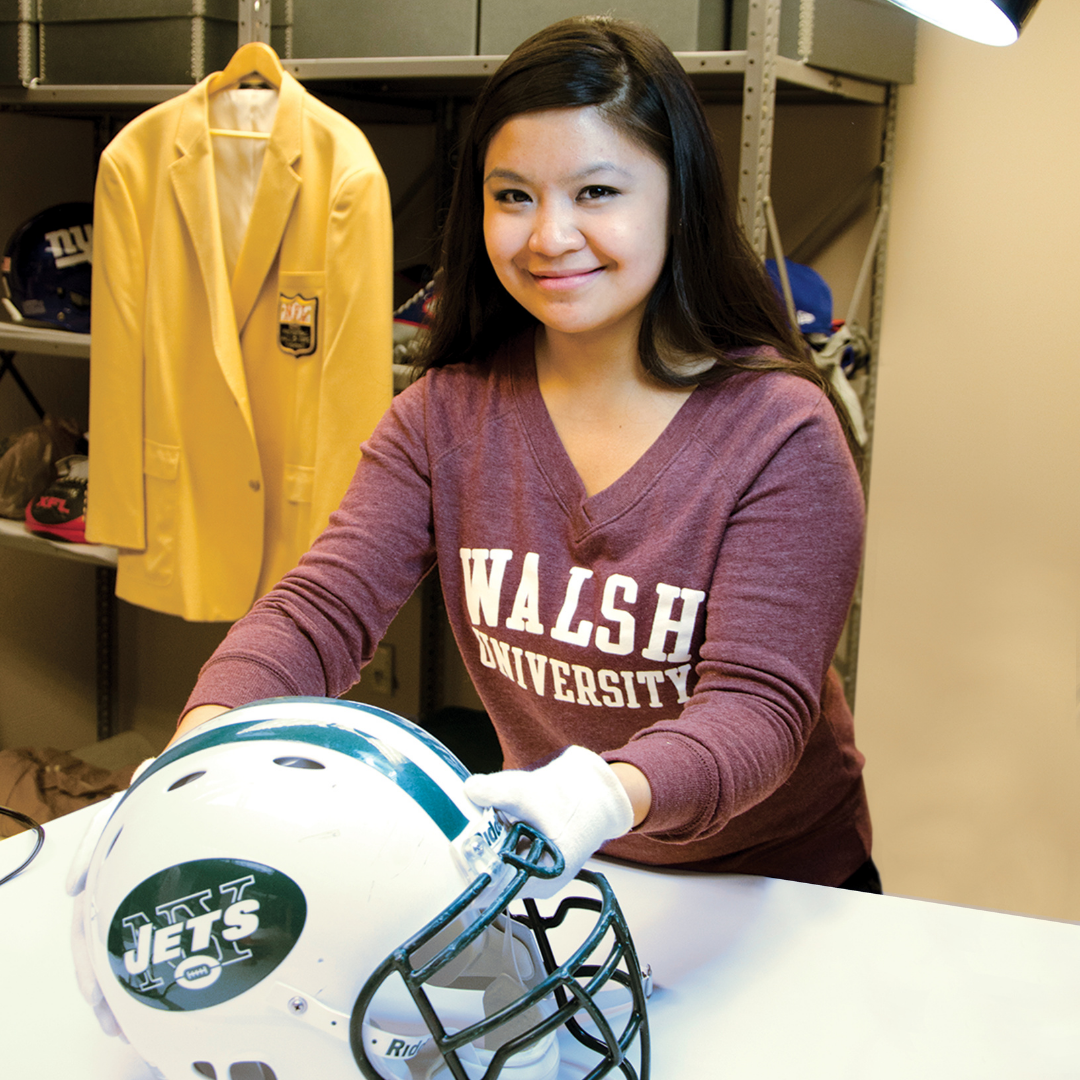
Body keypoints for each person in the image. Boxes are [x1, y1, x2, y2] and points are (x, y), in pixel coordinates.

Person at [175, 16, 877, 895]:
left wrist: (603, 793)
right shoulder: (445, 415)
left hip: (775, 888)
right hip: (568, 876)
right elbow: (322, 608)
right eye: (513, 196)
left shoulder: (780, 433)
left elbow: (757, 711)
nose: (548, 237)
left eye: (596, 193)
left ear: (679, 197)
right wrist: (200, 747)